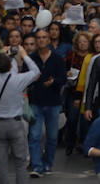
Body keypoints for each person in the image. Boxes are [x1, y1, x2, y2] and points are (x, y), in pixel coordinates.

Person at [0, 49, 41, 184]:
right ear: (10, 66)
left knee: (1, 163)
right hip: (15, 123)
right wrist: (25, 55)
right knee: (20, 162)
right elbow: (36, 71)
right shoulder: (18, 80)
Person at [27, 26, 66, 178]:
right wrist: (31, 78)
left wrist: (54, 81)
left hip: (53, 102)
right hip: (36, 102)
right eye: (39, 38)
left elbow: (63, 79)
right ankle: (37, 166)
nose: (41, 40)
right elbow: (24, 76)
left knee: (52, 137)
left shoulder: (57, 58)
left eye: (44, 37)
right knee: (35, 135)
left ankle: (48, 163)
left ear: (49, 40)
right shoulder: (31, 59)